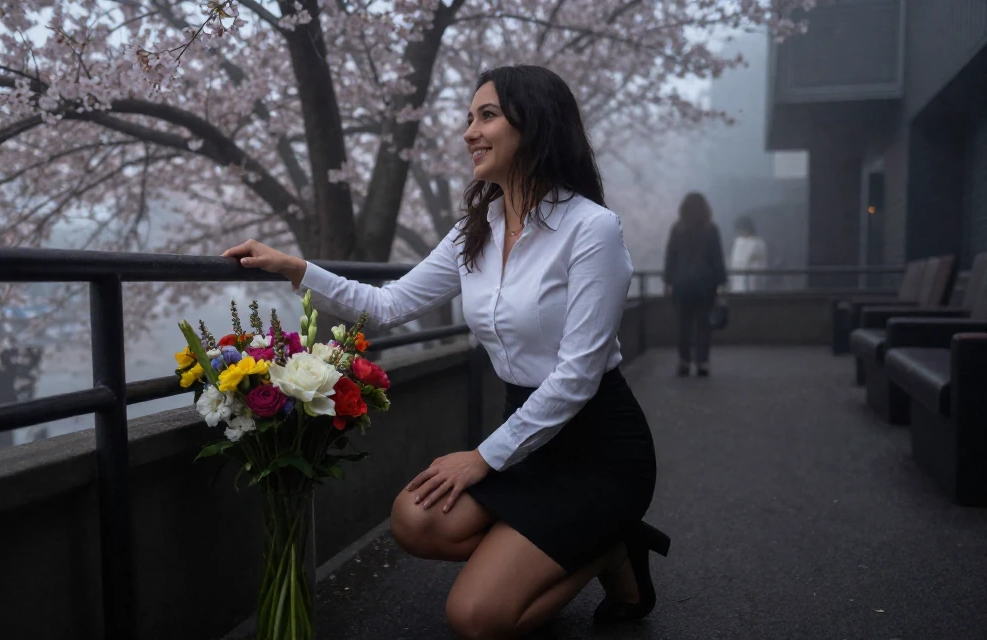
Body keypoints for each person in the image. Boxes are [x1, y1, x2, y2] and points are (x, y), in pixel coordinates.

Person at [224, 65, 669, 638]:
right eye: (469, 118)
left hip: (599, 448)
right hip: (527, 439)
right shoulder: (475, 231)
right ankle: (574, 545)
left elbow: (578, 378)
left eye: (487, 116)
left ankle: (610, 545)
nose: (469, 132)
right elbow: (388, 304)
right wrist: (296, 269)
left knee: (475, 618)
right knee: (414, 519)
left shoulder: (592, 229)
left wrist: (483, 456)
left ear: (534, 125)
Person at [662, 192, 727, 377]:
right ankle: (702, 362)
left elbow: (671, 256)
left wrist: (667, 281)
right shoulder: (711, 229)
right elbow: (717, 258)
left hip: (682, 284)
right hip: (706, 284)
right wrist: (721, 283)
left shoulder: (677, 229)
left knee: (683, 325)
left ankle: (684, 361)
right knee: (703, 324)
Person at [729, 215, 768, 293]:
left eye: (742, 229)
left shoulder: (758, 243)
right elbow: (734, 262)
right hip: (738, 284)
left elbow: (761, 263)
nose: (740, 232)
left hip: (753, 282)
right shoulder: (738, 242)